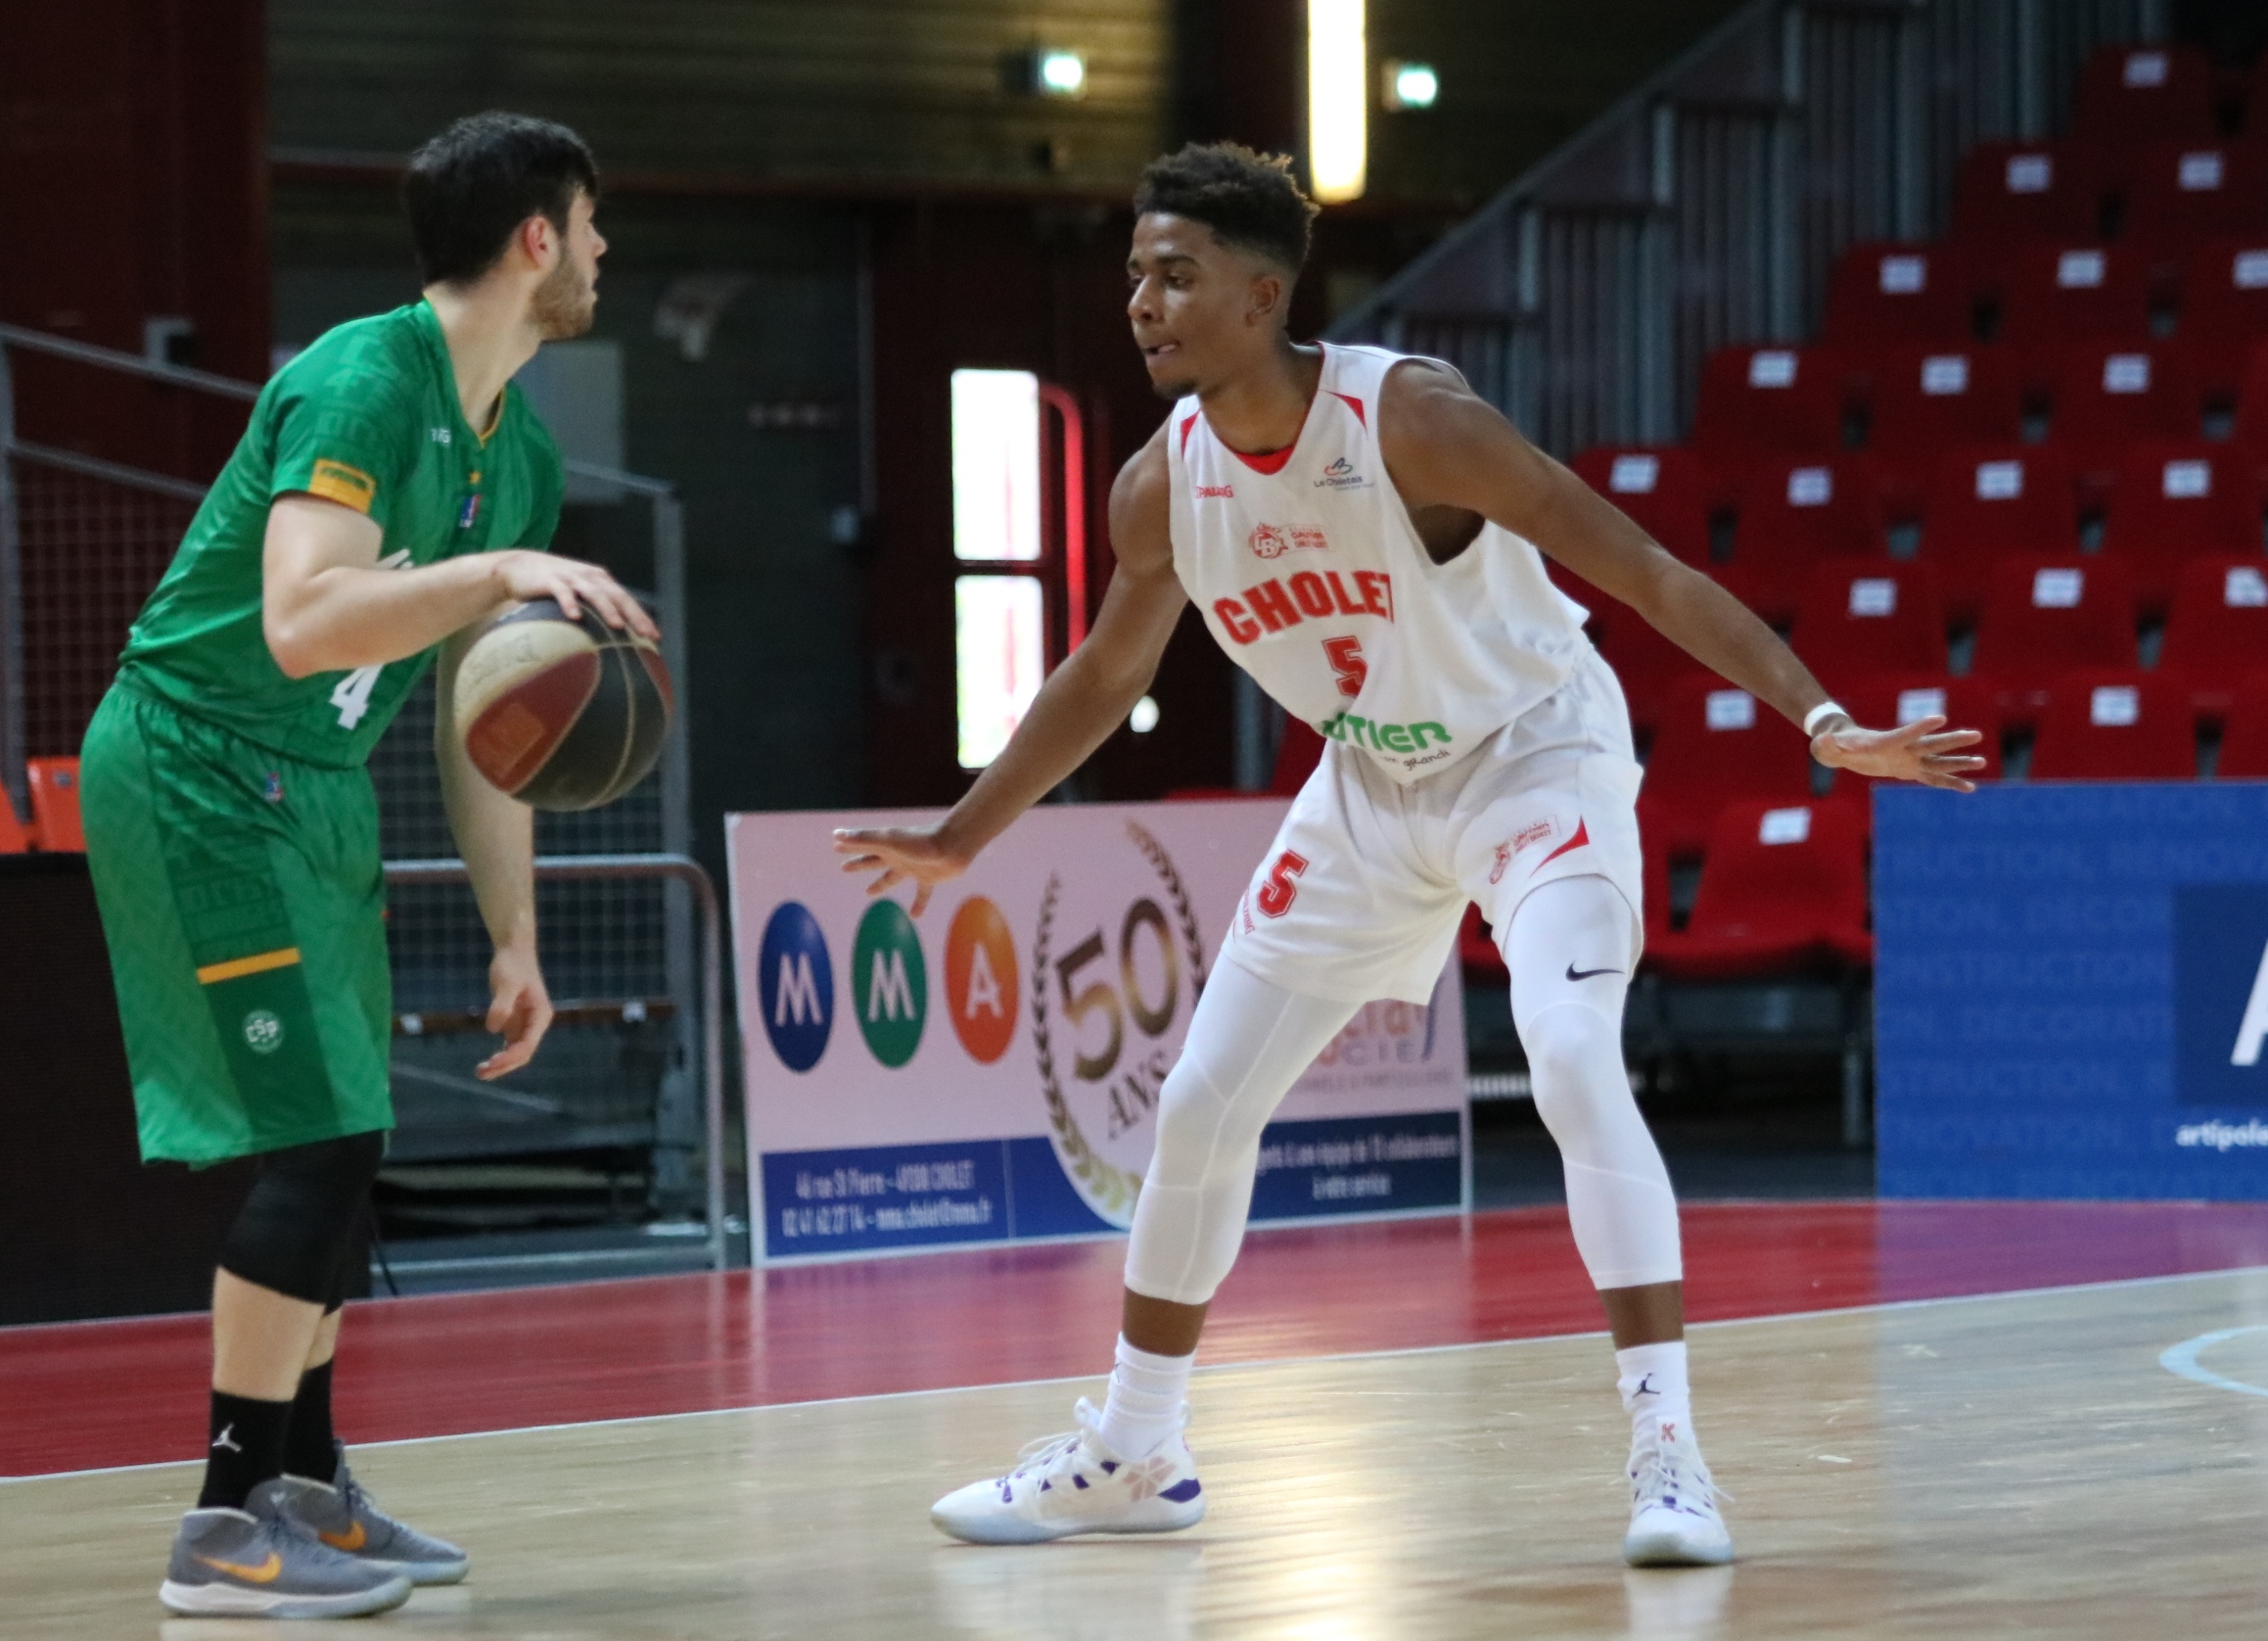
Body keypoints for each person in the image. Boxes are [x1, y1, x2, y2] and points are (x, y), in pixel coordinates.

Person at [833, 144, 1979, 1568]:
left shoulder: (1413, 422)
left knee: (1566, 1052)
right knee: (1198, 1106)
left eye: (1175, 275)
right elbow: (1090, 677)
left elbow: (1641, 566)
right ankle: (1136, 1449)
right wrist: (963, 834)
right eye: (1134, 275)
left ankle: (1669, 1456)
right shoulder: (1160, 488)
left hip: (1534, 756)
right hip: (1371, 784)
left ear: (1263, 296)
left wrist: (1819, 717)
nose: (1142, 302)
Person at [81, 112, 656, 1618]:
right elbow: (300, 619)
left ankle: (311, 1492)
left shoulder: (513, 452)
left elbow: (495, 730)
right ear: (537, 237)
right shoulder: (359, 377)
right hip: (200, 761)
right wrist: (494, 572)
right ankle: (221, 1523)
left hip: (315, 789)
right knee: (319, 1142)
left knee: (351, 1137)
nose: (604, 251)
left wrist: (514, 934)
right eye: (592, 226)